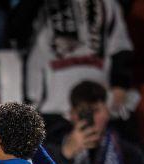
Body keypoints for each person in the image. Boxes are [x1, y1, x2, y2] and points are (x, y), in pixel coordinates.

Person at [8, 0, 136, 122]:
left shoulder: (108, 3)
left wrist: (120, 85)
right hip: (50, 109)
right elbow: (15, 33)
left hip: (99, 109)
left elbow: (121, 46)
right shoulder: (35, 5)